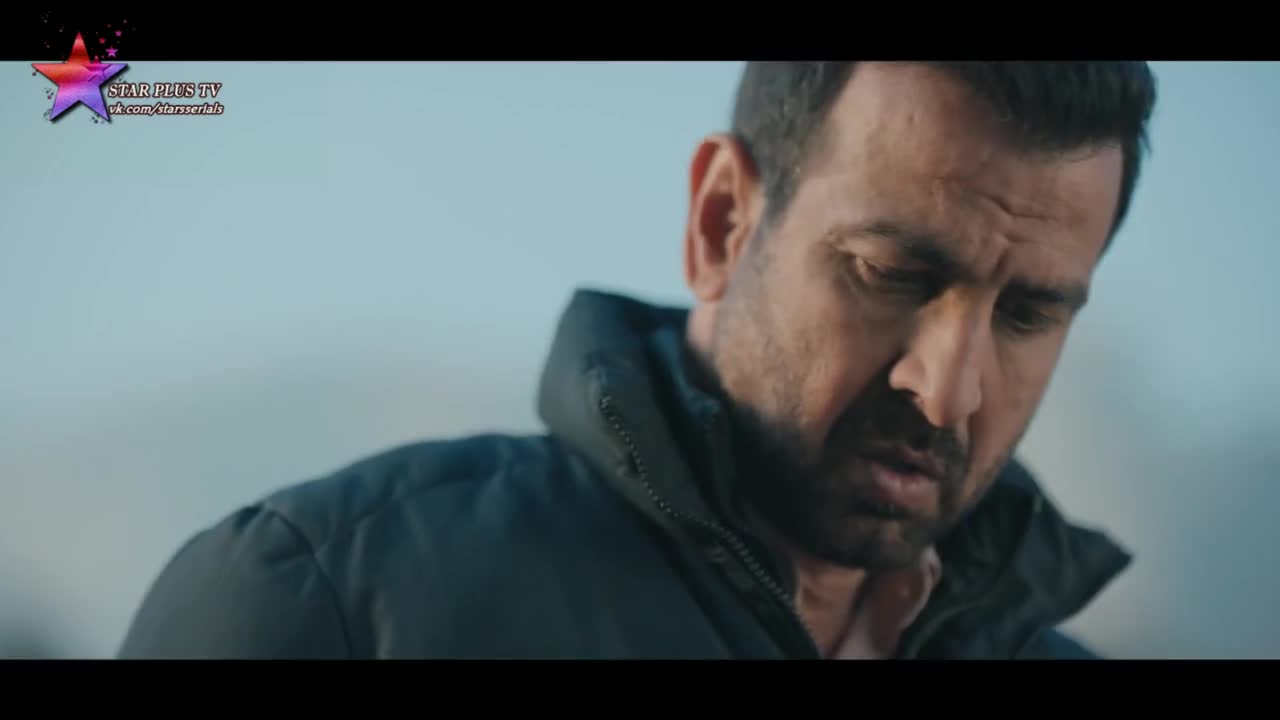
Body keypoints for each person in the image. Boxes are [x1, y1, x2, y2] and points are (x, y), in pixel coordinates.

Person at [118, 61, 1158, 660]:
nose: (947, 390)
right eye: (888, 274)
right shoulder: (327, 604)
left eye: (1027, 315)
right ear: (720, 222)